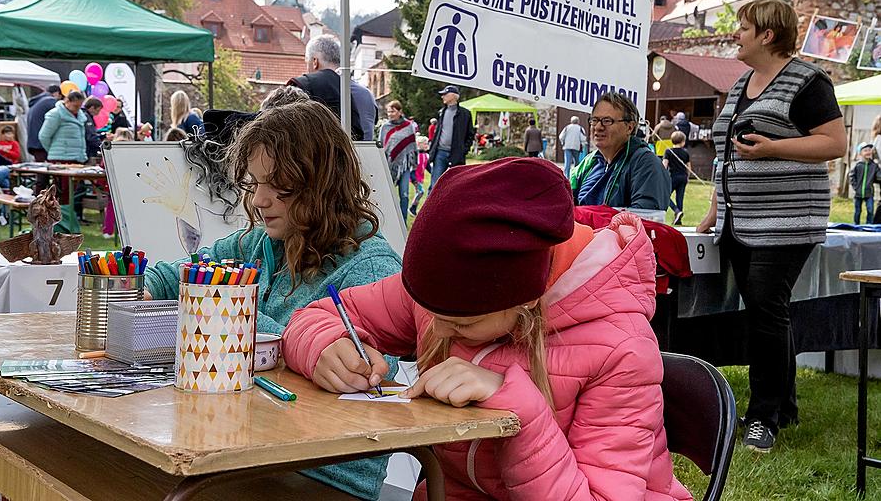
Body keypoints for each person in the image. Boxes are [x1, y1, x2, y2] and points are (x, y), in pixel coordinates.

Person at [282, 157, 693, 501]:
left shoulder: (621, 350)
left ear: (527, 298)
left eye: (463, 323)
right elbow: (317, 317)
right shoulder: (444, 293)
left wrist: (520, 412)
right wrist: (324, 347)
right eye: (427, 310)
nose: (437, 330)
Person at [144, 100, 402, 500]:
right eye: (255, 183)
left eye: (277, 186)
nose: (260, 200)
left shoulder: (370, 267)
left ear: (321, 183)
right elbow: (189, 269)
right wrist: (138, 285)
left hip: (324, 476)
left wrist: (237, 310)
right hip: (245, 450)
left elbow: (369, 375)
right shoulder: (263, 243)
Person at [697, 0, 847, 453]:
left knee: (766, 307)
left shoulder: (808, 81)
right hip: (741, 221)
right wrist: (713, 210)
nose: (735, 34)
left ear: (767, 35)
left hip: (787, 219)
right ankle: (783, 406)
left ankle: (763, 418)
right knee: (765, 311)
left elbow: (834, 142)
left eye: (743, 27)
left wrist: (772, 151)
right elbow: (726, 153)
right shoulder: (743, 81)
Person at [572, 92, 670, 211]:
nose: (598, 127)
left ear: (629, 127)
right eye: (594, 120)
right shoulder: (589, 163)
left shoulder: (646, 165)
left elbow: (644, 220)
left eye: (607, 121)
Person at [288, 34, 370, 141]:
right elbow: (360, 135)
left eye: (307, 62)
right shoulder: (363, 94)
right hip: (347, 154)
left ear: (314, 62)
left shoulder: (301, 85)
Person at [427, 85, 475, 191]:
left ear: (453, 96)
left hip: (456, 154)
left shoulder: (465, 114)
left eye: (445, 94)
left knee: (455, 185)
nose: (442, 97)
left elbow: (470, 134)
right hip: (440, 153)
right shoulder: (441, 112)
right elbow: (437, 133)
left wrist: (463, 150)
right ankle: (431, 207)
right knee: (435, 185)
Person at [379, 101, 417, 225]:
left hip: (404, 166)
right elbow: (381, 146)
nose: (390, 114)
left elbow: (412, 146)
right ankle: (387, 222)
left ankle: (403, 222)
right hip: (388, 166)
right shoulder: (385, 127)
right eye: (388, 111)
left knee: (404, 194)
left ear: (400, 112)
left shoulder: (408, 126)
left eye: (393, 111)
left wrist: (414, 163)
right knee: (387, 195)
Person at [26, 84, 62, 192]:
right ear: (57, 94)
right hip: (43, 144)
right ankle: (40, 202)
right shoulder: (50, 102)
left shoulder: (36, 103)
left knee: (41, 175)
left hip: (34, 143)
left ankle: (40, 200)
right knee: (47, 176)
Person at [663, 131, 691, 226]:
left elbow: (664, 165)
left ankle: (676, 210)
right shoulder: (685, 153)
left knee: (665, 196)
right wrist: (688, 177)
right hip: (683, 177)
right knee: (680, 198)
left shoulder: (668, 151)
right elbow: (688, 167)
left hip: (672, 177)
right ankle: (678, 218)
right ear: (683, 142)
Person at [851, 142, 879, 224]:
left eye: (869, 150)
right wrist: (855, 187)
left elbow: (878, 176)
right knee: (857, 211)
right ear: (860, 153)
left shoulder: (874, 165)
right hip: (858, 193)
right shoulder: (858, 165)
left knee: (870, 210)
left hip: (869, 192)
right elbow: (851, 176)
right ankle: (856, 225)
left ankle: (869, 225)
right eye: (865, 150)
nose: (868, 152)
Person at [409, 135, 430, 216]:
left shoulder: (426, 155)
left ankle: (413, 209)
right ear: (418, 144)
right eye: (424, 144)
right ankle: (412, 208)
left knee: (419, 193)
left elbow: (427, 167)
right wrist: (414, 179)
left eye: (427, 143)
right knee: (421, 191)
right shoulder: (416, 155)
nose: (426, 145)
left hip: (421, 178)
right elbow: (412, 168)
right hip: (415, 178)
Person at [81, 97, 104, 162]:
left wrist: (102, 136)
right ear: (92, 108)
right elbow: (90, 136)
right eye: (98, 110)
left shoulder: (83, 115)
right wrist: (102, 147)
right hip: (87, 150)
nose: (98, 113)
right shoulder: (86, 117)